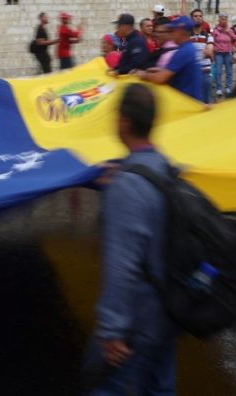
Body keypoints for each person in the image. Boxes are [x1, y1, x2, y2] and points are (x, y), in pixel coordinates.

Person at [85, 84, 177, 395]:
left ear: (124, 121)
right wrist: (124, 171)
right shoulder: (164, 165)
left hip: (139, 317)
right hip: (168, 305)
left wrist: (111, 329)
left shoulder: (127, 187)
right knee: (160, 385)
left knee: (111, 387)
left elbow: (122, 265)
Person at [136, 16, 205, 101]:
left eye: (173, 30)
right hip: (192, 101)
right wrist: (158, 71)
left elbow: (160, 78)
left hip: (186, 103)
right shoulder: (191, 48)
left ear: (180, 32)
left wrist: (144, 75)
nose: (171, 33)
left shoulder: (184, 51)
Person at [188, 10, 215, 102]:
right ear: (191, 19)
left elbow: (209, 53)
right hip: (191, 75)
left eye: (200, 16)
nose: (198, 18)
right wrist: (202, 52)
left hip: (205, 74)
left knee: (208, 102)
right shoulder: (186, 36)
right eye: (195, 16)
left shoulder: (208, 36)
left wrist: (192, 54)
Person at [211, 14, 236, 98]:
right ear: (219, 21)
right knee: (218, 71)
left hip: (228, 53)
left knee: (229, 71)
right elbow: (212, 41)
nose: (224, 21)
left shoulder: (230, 29)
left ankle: (228, 88)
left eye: (225, 19)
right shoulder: (215, 30)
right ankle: (219, 89)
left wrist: (229, 33)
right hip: (218, 53)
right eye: (222, 19)